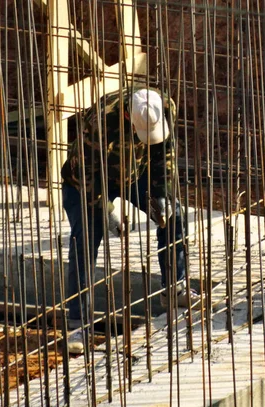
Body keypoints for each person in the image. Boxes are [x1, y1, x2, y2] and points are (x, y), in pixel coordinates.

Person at [61, 87, 199, 354]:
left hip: (137, 173)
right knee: (85, 239)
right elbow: (87, 174)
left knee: (175, 216)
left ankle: (174, 287)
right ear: (127, 115)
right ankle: (78, 322)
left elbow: (164, 155)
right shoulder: (102, 120)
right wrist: (107, 210)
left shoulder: (165, 105)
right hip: (90, 181)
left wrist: (161, 196)